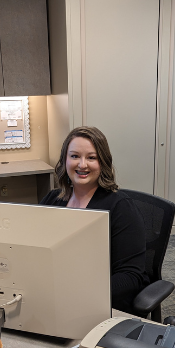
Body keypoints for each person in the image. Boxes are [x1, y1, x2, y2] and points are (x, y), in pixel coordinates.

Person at [40, 126, 149, 315]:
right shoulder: (53, 199)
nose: (82, 165)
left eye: (91, 157)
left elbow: (131, 276)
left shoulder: (120, 207)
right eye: (74, 156)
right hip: (57, 294)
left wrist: (82, 294)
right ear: (65, 160)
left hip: (102, 303)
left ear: (102, 163)